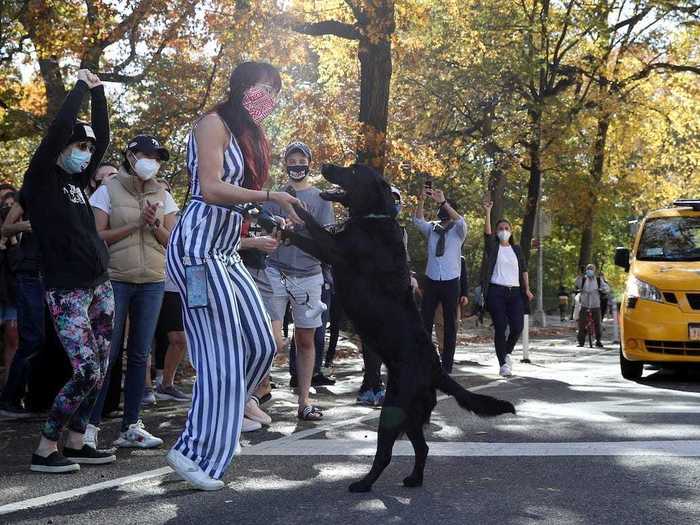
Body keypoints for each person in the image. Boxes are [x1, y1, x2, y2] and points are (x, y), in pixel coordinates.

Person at [165, 61, 300, 491]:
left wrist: (269, 217)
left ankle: (226, 413)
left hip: (226, 252)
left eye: (276, 92)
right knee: (220, 354)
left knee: (263, 343)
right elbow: (210, 187)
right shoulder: (213, 123)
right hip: (198, 254)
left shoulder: (251, 137)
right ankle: (193, 451)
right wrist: (270, 195)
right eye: (265, 88)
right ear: (242, 86)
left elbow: (238, 199)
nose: (270, 98)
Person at [21, 69, 116, 472]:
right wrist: (79, 86)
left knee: (102, 366)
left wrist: (99, 96)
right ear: (61, 147)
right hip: (66, 290)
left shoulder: (79, 180)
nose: (84, 152)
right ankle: (45, 447)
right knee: (86, 370)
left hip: (99, 285)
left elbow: (104, 139)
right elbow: (59, 127)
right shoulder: (41, 178)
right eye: (78, 145)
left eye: (86, 147)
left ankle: (77, 441)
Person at [86, 134, 177, 450]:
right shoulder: (106, 191)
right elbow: (97, 238)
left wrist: (153, 225)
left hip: (152, 280)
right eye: (147, 155)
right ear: (131, 156)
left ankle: (131, 426)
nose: (153, 161)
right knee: (107, 354)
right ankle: (89, 427)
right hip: (115, 279)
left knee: (140, 354)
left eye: (157, 156)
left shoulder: (163, 194)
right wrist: (137, 223)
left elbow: (171, 241)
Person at [264, 140, 334, 421]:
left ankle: (304, 401)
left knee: (306, 339)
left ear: (309, 163)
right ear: (285, 165)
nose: (296, 166)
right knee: (274, 340)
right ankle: (258, 390)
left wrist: (300, 231)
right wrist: (280, 230)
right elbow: (267, 235)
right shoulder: (277, 195)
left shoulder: (321, 197)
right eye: (291, 162)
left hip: (309, 274)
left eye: (300, 161)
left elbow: (326, 240)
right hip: (276, 270)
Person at [413, 186, 467, 373]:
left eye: (447, 207)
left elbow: (460, 220)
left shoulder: (458, 229)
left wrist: (444, 201)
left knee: (450, 324)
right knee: (425, 321)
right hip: (432, 279)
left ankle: (447, 365)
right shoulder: (433, 228)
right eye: (442, 207)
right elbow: (418, 220)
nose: (443, 209)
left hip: (451, 281)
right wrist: (421, 200)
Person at [0, 196, 42, 418]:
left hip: (57, 274)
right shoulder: (28, 196)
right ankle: (9, 399)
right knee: (32, 338)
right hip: (30, 273)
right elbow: (6, 228)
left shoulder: (68, 193)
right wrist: (24, 226)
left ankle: (38, 399)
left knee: (47, 340)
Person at [482, 200, 534, 377]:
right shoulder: (494, 247)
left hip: (516, 293)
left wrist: (527, 289)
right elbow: (487, 235)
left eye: (506, 228)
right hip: (496, 292)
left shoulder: (517, 249)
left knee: (517, 327)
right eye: (500, 228)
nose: (504, 231)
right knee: (501, 326)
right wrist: (488, 211)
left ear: (511, 231)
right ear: (497, 232)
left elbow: (524, 270)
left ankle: (507, 352)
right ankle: (503, 364)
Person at [0, 191, 19, 391]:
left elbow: (17, 265)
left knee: (13, 342)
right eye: (5, 205)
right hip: (4, 295)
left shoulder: (25, 233)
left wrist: (12, 242)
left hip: (14, 297)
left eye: (12, 205)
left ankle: (9, 388)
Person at [575, 264, 610, 348]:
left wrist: (603, 289)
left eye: (591, 269)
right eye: (588, 269)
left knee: (598, 323)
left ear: (594, 271)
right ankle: (581, 342)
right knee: (582, 323)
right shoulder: (583, 279)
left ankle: (598, 340)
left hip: (595, 304)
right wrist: (580, 276)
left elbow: (607, 288)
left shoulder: (598, 280)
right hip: (584, 304)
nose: (589, 270)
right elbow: (577, 284)